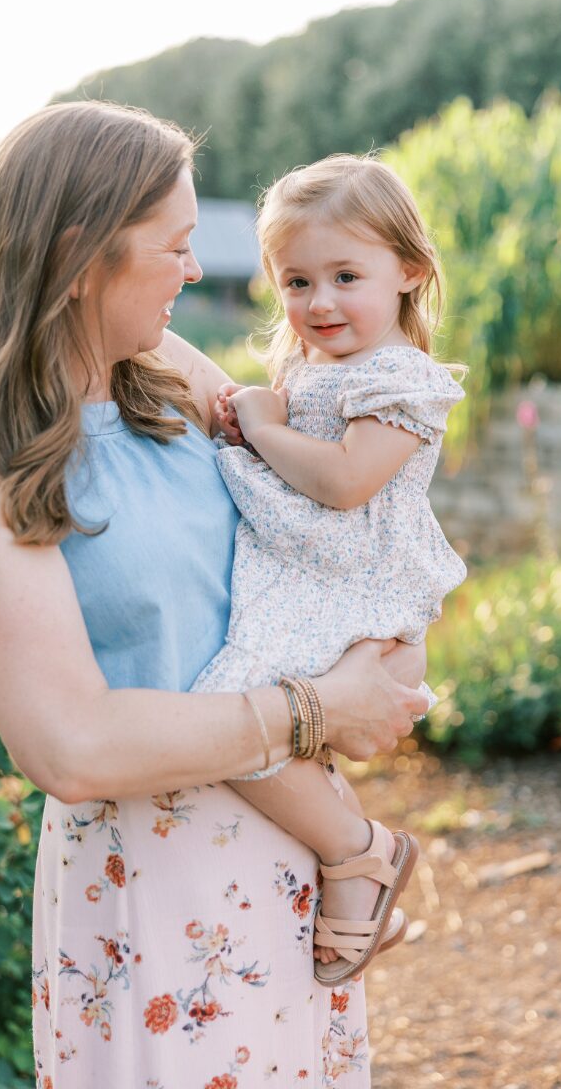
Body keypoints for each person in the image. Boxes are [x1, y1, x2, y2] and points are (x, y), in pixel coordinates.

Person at [0, 100, 432, 1086]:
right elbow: (70, 745)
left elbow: (307, 517)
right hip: (149, 877)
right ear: (81, 256)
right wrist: (321, 706)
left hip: (288, 842)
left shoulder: (165, 380)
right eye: (174, 246)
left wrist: (381, 656)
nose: (196, 270)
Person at [194, 153, 468, 988]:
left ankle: (360, 854)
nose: (319, 302)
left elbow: (347, 482)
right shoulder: (311, 374)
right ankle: (348, 868)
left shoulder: (403, 379)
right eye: (296, 282)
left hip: (356, 593)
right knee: (262, 726)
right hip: (308, 583)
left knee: (224, 718)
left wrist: (261, 426)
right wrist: (258, 413)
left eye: (346, 275)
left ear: (410, 271)